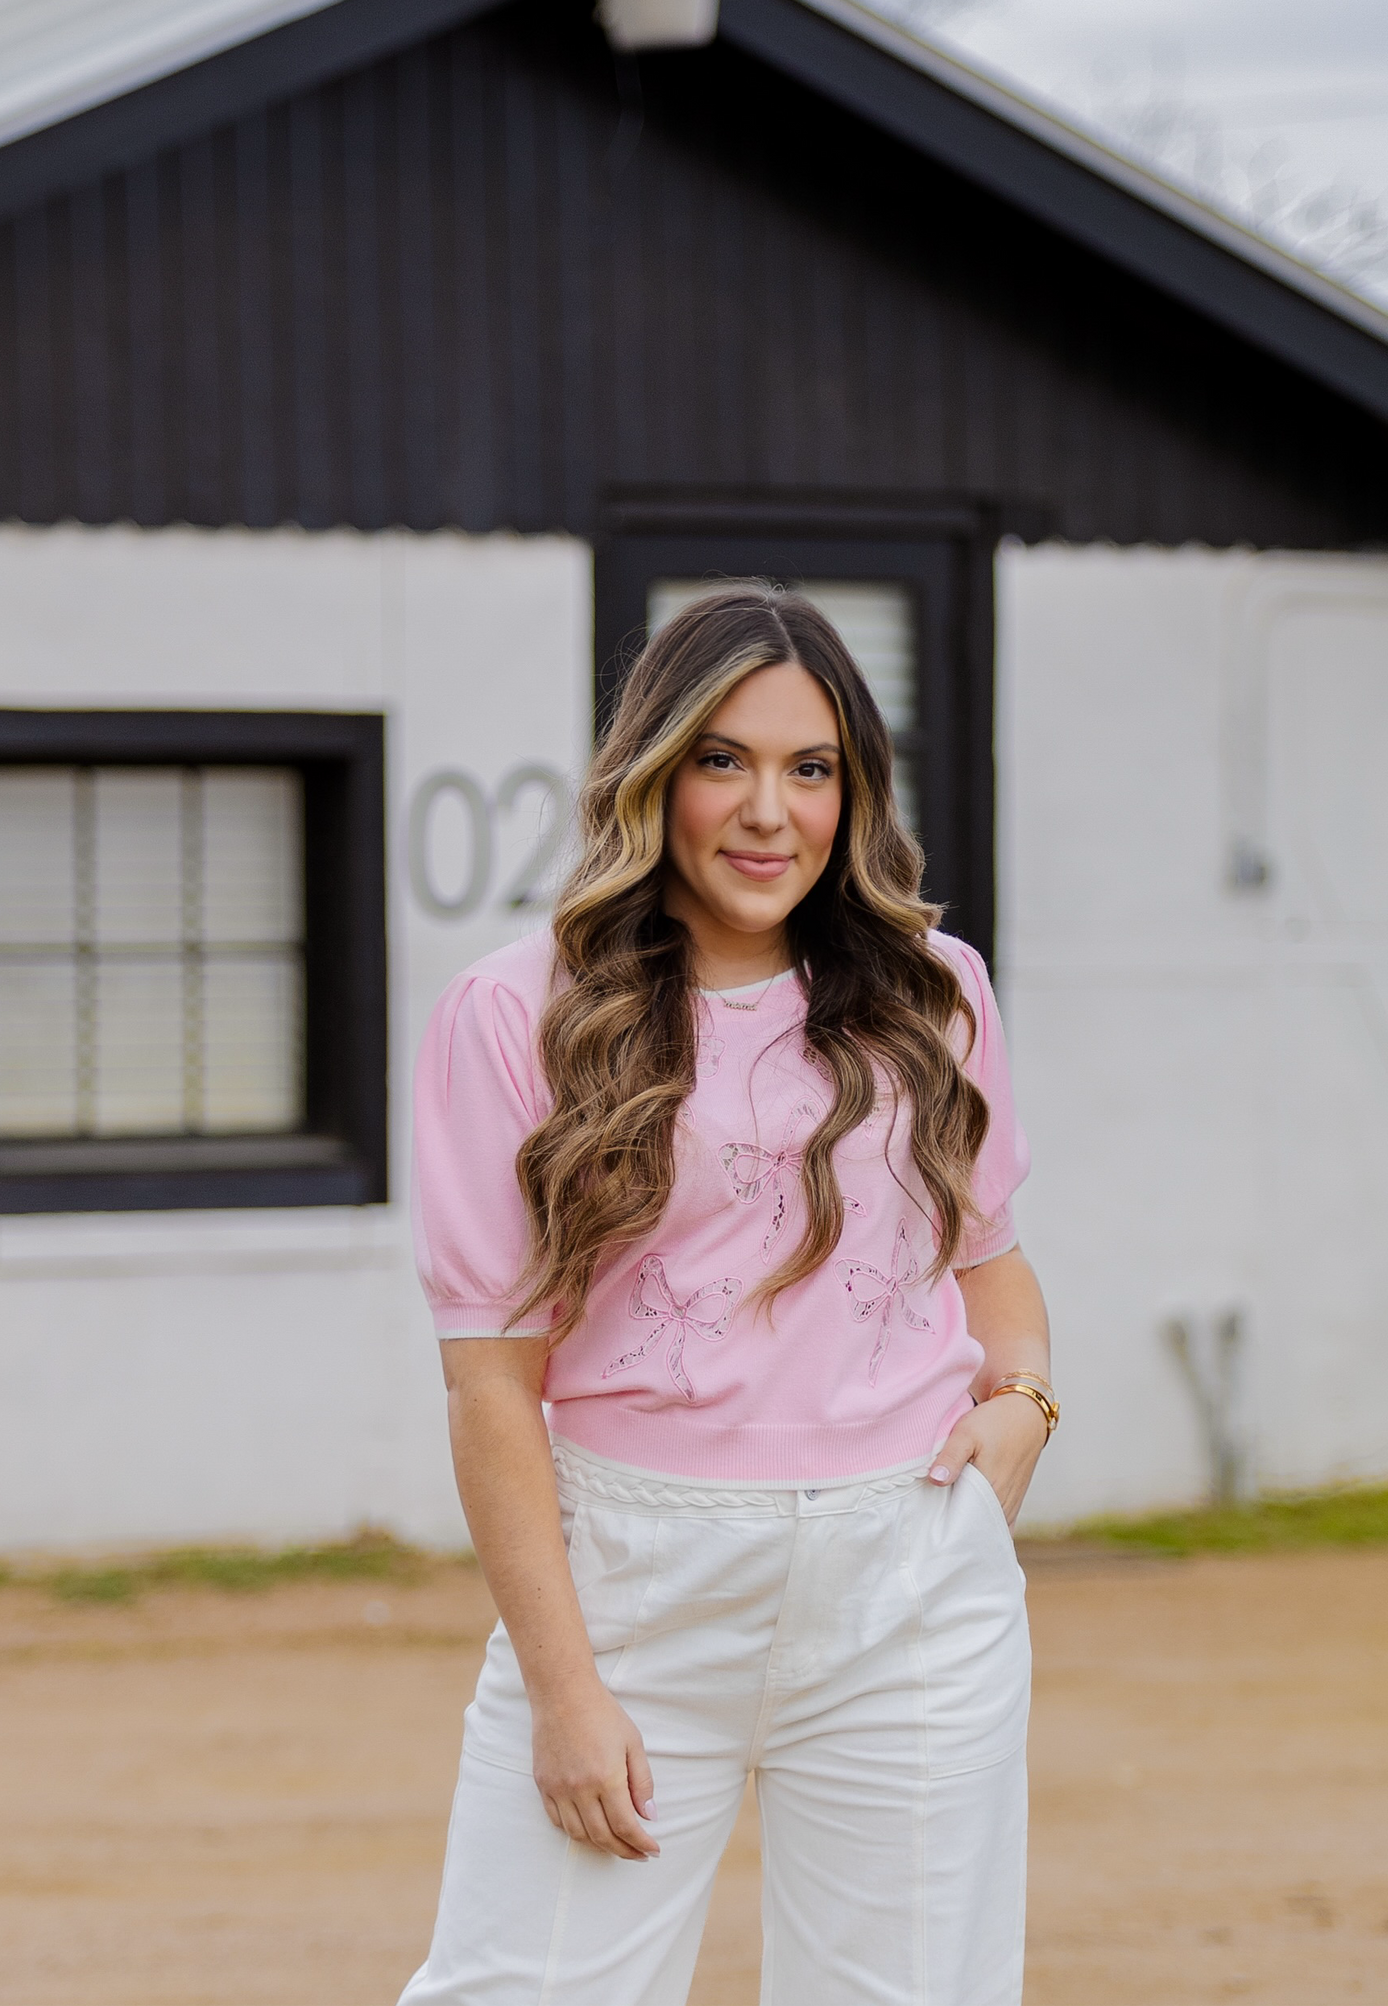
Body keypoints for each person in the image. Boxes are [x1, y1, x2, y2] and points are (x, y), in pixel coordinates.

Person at [402, 586, 1056, 2006]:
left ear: (852, 791)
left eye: (810, 768)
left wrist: (1024, 1403)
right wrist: (566, 1689)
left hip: (911, 1587)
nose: (770, 812)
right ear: (655, 773)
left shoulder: (936, 993)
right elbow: (488, 1385)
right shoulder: (518, 1014)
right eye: (724, 759)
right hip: (635, 1591)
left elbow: (992, 1262)